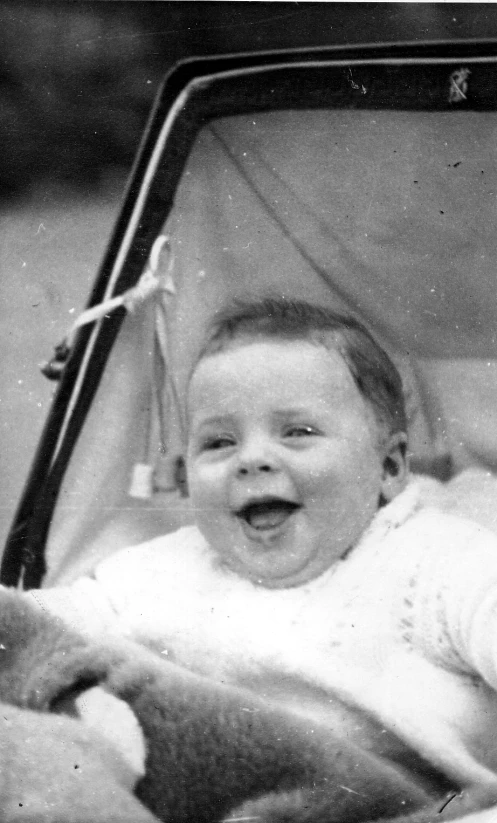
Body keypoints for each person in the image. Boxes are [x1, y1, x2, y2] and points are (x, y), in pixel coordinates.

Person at [25, 297, 497, 794]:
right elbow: (45, 622)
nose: (251, 459)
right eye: (219, 443)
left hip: (384, 803)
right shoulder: (161, 570)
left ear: (390, 468)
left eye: (298, 432)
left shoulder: (432, 560)